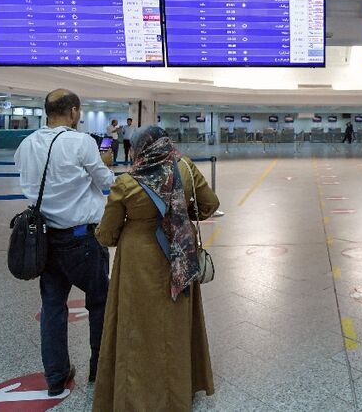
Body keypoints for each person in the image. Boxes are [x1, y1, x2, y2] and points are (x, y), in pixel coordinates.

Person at [92, 126, 219, 411]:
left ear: (138, 149)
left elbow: (107, 234)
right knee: (175, 321)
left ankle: (137, 393)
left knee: (136, 325)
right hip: (180, 256)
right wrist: (181, 216)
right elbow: (210, 204)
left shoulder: (127, 182)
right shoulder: (185, 169)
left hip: (139, 261)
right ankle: (179, 389)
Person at [14, 89, 115, 396]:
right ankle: (100, 370)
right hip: (82, 240)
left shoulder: (27, 143)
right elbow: (107, 183)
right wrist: (105, 162)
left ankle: (56, 376)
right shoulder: (81, 142)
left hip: (45, 241)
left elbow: (27, 180)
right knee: (99, 303)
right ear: (73, 112)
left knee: (53, 307)